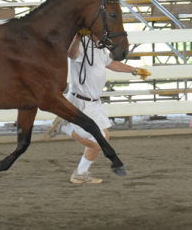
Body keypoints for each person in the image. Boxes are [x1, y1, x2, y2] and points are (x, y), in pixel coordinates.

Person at [48, 29, 151, 184]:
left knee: (103, 138)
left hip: (94, 102)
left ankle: (81, 171)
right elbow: (72, 54)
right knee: (99, 139)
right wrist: (77, 37)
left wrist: (134, 70)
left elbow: (111, 63)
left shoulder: (100, 47)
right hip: (80, 102)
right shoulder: (80, 44)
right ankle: (67, 129)